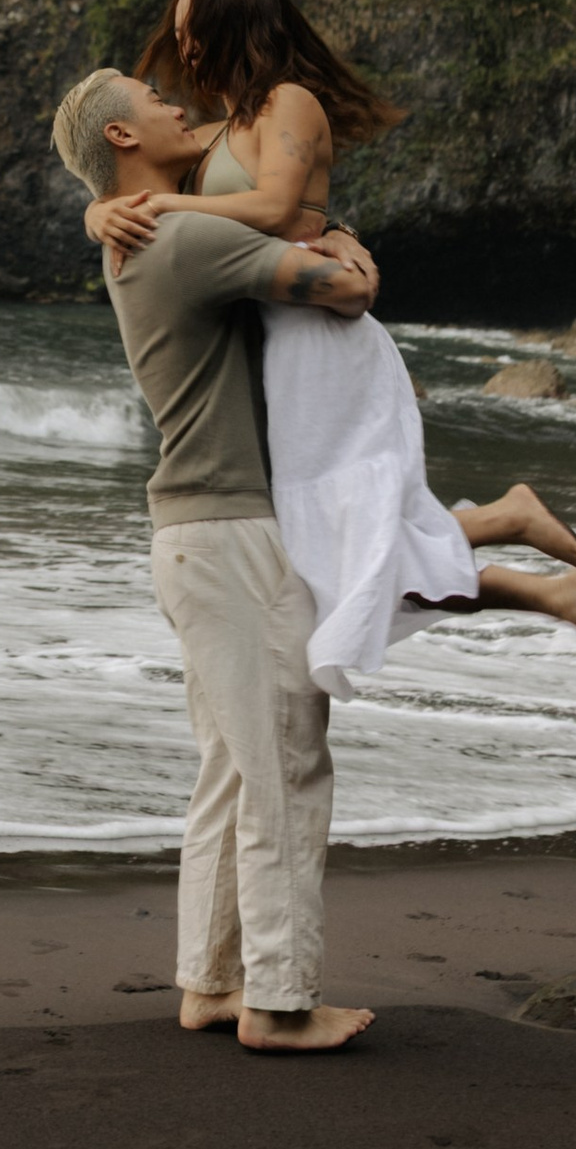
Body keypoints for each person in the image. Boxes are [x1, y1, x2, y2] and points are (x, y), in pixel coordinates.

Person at [83, 0, 576, 692]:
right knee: (326, 548)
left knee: (332, 542)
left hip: (324, 338)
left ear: (233, 26)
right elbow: (139, 175)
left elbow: (279, 212)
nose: (183, 50)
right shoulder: (219, 134)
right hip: (283, 342)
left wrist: (165, 210)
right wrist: (99, 211)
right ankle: (520, 544)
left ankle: (521, 545)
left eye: (193, 32)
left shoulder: (289, 103)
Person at [52, 60, 382, 1053]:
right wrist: (351, 240)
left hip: (195, 535)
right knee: (283, 759)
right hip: (231, 531)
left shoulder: (151, 229)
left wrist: (95, 212)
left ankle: (209, 982)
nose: (177, 104)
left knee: (234, 770)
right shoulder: (182, 236)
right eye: (151, 100)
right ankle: (277, 1002)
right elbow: (345, 289)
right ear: (121, 138)